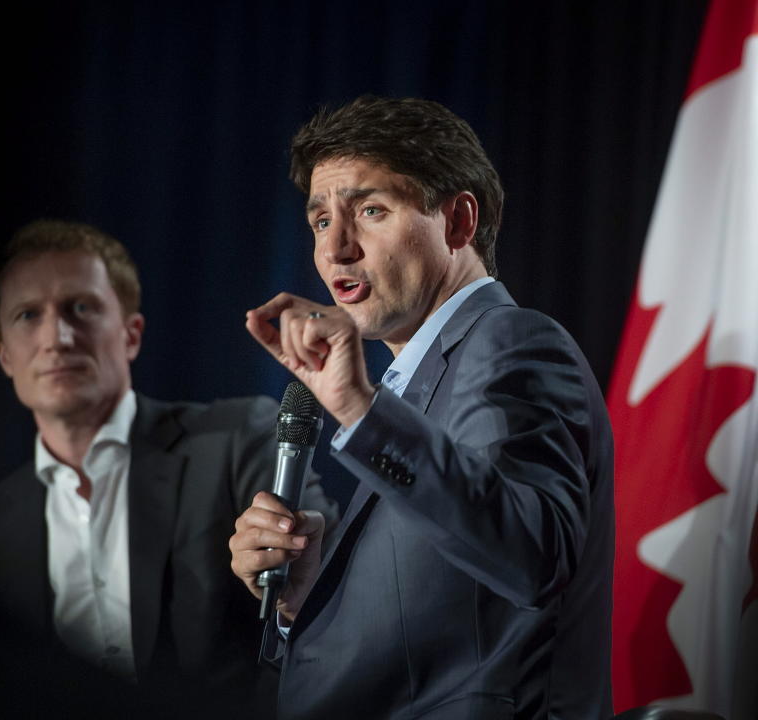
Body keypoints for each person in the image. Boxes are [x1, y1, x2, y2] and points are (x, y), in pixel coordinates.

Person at [229, 96, 614, 719]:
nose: (336, 250)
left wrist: (358, 407)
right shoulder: (418, 385)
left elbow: (531, 552)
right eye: (320, 221)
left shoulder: (508, 340)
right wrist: (314, 592)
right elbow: (446, 611)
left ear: (459, 222)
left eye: (370, 210)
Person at [0, 219, 337, 717]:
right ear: (3, 354)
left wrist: (292, 603)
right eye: (28, 315)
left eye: (81, 308)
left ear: (131, 335)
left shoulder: (238, 439)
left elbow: (336, 602)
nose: (58, 337)